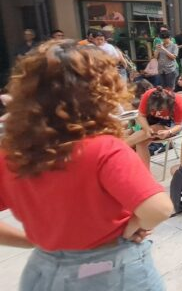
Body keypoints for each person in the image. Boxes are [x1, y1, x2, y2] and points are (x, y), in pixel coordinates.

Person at [0, 40, 172, 290]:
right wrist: (130, 227)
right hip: (111, 269)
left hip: (43, 271)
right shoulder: (103, 149)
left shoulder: (10, 153)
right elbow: (158, 209)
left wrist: (31, 239)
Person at [127, 86, 182, 167]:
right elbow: (140, 116)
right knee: (141, 142)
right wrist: (147, 129)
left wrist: (168, 132)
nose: (158, 112)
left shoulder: (178, 102)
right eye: (154, 109)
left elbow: (179, 125)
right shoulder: (148, 95)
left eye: (161, 109)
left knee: (154, 129)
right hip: (152, 121)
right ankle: (146, 173)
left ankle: (120, 147)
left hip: (172, 125)